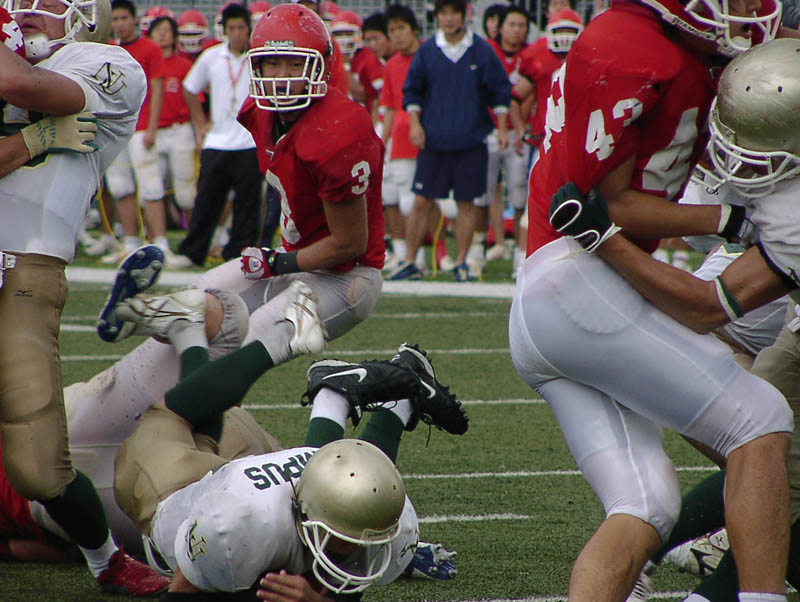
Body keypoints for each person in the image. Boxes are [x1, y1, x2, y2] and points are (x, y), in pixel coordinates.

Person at [509, 0, 792, 592]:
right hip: (581, 282)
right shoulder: (635, 48)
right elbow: (605, 202)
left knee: (645, 504)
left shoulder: (655, 41)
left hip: (559, 292)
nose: (752, 9)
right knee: (761, 420)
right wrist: (726, 218)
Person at [109, 272, 466, 596]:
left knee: (211, 418)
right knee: (170, 415)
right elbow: (181, 591)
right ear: (306, 512)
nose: (358, 549)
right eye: (347, 542)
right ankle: (278, 339)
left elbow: (347, 573)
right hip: (179, 491)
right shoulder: (231, 528)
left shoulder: (385, 515)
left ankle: (193, 332)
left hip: (249, 469)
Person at [0, 0, 173, 595]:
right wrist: (37, 138)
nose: (25, 11)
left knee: (36, 462)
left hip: (27, 268)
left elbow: (20, 86)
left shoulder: (109, 64)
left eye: (43, 2)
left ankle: (105, 560)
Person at [389, 0, 511, 282]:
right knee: (421, 202)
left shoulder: (481, 49)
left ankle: (461, 262)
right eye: (443, 12)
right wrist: (416, 124)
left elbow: (500, 91)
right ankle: (410, 262)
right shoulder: (428, 50)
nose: (448, 18)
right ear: (437, 16)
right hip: (434, 141)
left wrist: (503, 129)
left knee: (467, 203)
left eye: (453, 12)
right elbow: (412, 91)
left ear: (463, 14)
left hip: (472, 140)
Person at [171, 2, 263, 269]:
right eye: (231, 28)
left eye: (241, 28)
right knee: (207, 200)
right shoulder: (211, 56)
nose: (237, 34)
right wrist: (200, 124)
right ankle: (193, 252)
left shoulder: (257, 58)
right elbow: (190, 88)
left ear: (249, 29)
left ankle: (239, 254)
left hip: (249, 142)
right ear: (224, 30)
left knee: (247, 203)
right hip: (217, 141)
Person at [101, 0, 169, 263]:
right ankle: (130, 242)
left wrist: (152, 127)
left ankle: (160, 242)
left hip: (141, 129)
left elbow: (157, 88)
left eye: (124, 18)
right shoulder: (109, 49)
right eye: (115, 19)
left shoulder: (150, 48)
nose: (119, 24)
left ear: (134, 19)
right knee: (121, 187)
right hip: (116, 129)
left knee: (151, 187)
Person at [475, 5, 530, 278]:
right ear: (501, 27)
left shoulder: (531, 54)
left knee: (519, 193)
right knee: (482, 194)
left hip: (519, 134)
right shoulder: (486, 51)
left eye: (522, 25)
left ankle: (519, 254)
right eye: (512, 24)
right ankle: (478, 251)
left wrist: (521, 127)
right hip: (487, 131)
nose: (517, 30)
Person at [147, 15, 198, 227]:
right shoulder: (142, 65)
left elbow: (196, 100)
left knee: (186, 192)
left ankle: (193, 235)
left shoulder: (184, 66)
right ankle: (154, 236)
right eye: (157, 30)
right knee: (151, 189)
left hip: (180, 129)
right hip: (152, 132)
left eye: (166, 30)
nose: (162, 34)